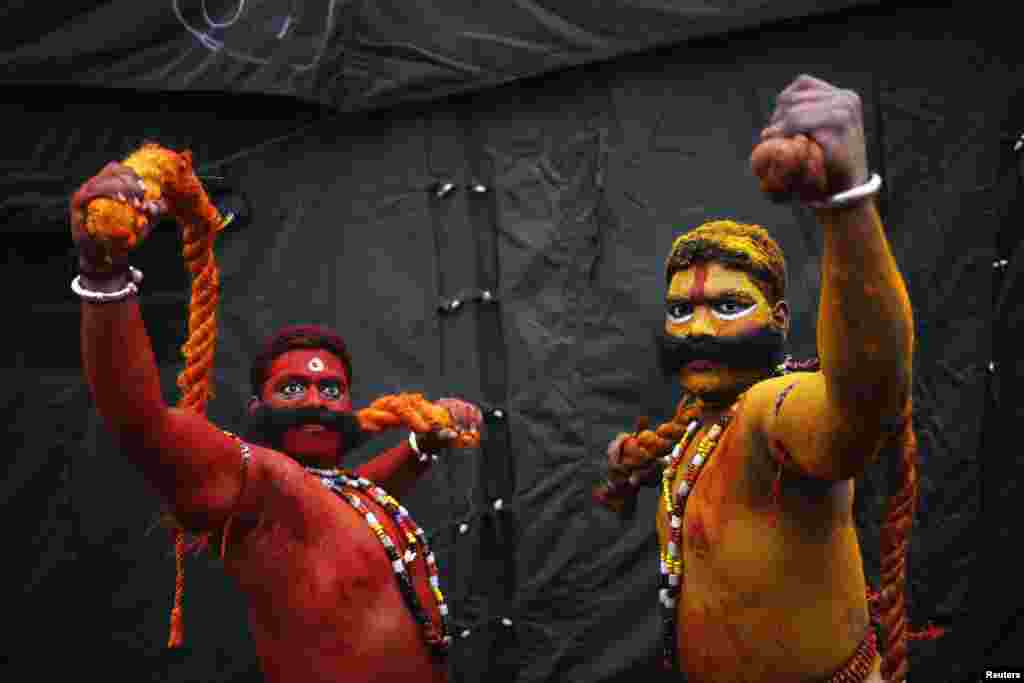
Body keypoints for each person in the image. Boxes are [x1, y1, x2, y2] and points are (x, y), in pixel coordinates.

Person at [71, 161, 483, 683]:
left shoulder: (340, 497)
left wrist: (424, 445)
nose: (315, 399)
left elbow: (366, 493)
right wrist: (103, 276)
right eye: (292, 388)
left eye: (330, 389)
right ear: (256, 410)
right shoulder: (259, 483)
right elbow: (141, 422)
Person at [595, 74, 916, 682]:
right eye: (681, 310)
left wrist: (847, 202)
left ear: (779, 319)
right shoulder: (698, 426)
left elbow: (865, 399)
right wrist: (634, 466)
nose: (698, 329)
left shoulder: (776, 407)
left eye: (728, 305)